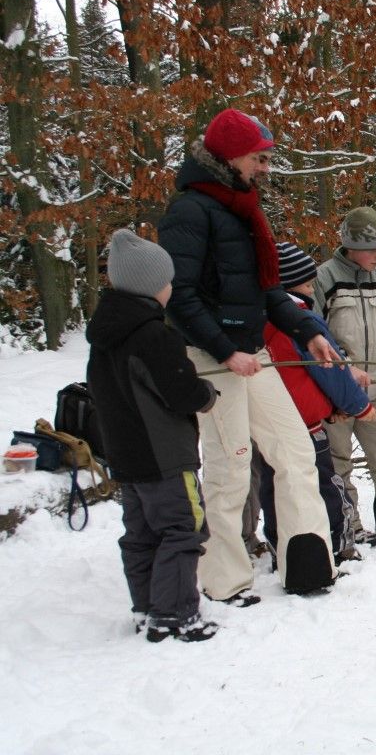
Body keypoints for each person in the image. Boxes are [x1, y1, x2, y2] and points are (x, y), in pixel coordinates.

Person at [158, 107, 340, 601]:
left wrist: (307, 331)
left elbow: (266, 288)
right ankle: (225, 581)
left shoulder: (243, 208)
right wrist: (224, 351)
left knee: (295, 451)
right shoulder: (190, 211)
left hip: (252, 353)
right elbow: (178, 296)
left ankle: (307, 565)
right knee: (231, 467)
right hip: (212, 358)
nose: (265, 167)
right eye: (259, 158)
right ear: (231, 156)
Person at [86, 229, 219, 642]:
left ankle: (147, 607)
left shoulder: (104, 337)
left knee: (141, 534)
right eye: (167, 282)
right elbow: (181, 391)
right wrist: (206, 394)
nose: (170, 289)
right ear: (151, 286)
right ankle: (175, 614)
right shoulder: (154, 336)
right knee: (183, 528)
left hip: (127, 458)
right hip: (165, 457)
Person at [259, 242, 376, 562]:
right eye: (309, 285)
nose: (313, 291)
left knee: (276, 488)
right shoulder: (302, 322)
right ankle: (339, 544)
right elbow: (331, 370)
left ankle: (282, 549)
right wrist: (357, 405)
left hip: (267, 426)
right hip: (307, 426)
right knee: (324, 484)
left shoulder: (256, 323)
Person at [314, 206, 376, 544]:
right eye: (373, 250)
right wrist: (345, 367)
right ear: (351, 246)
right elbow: (315, 335)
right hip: (335, 394)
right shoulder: (324, 278)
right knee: (337, 463)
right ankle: (349, 526)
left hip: (375, 391)